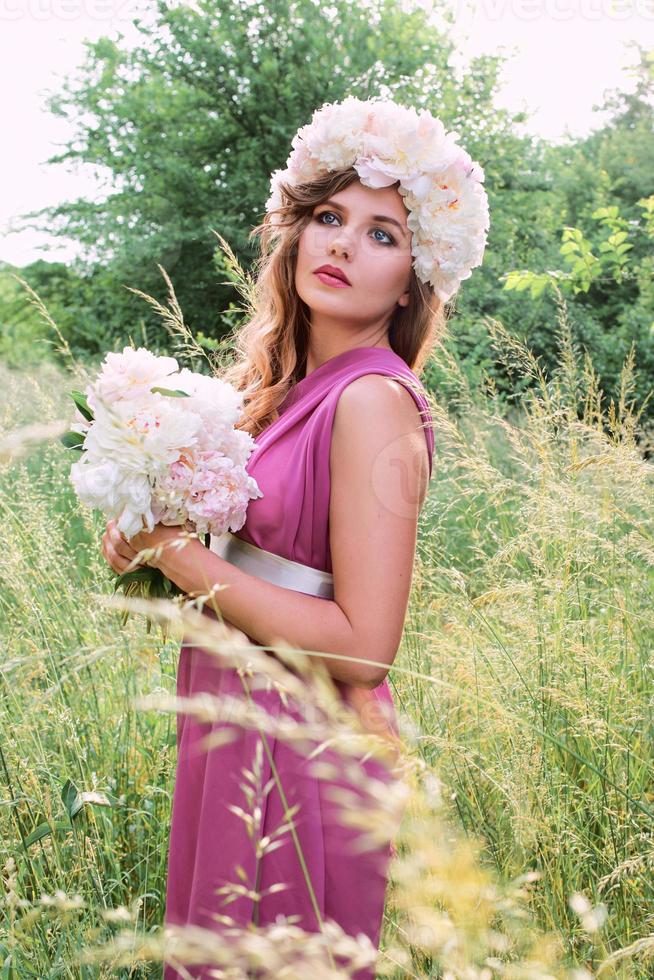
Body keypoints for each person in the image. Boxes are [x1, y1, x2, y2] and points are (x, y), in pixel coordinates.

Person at [101, 95, 490, 979]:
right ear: (298, 231)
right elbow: (252, 565)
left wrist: (180, 554)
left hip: (307, 744)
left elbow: (363, 649)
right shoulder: (280, 390)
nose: (344, 244)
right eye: (328, 217)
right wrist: (146, 539)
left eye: (383, 233)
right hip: (238, 729)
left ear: (415, 275)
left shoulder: (371, 402)